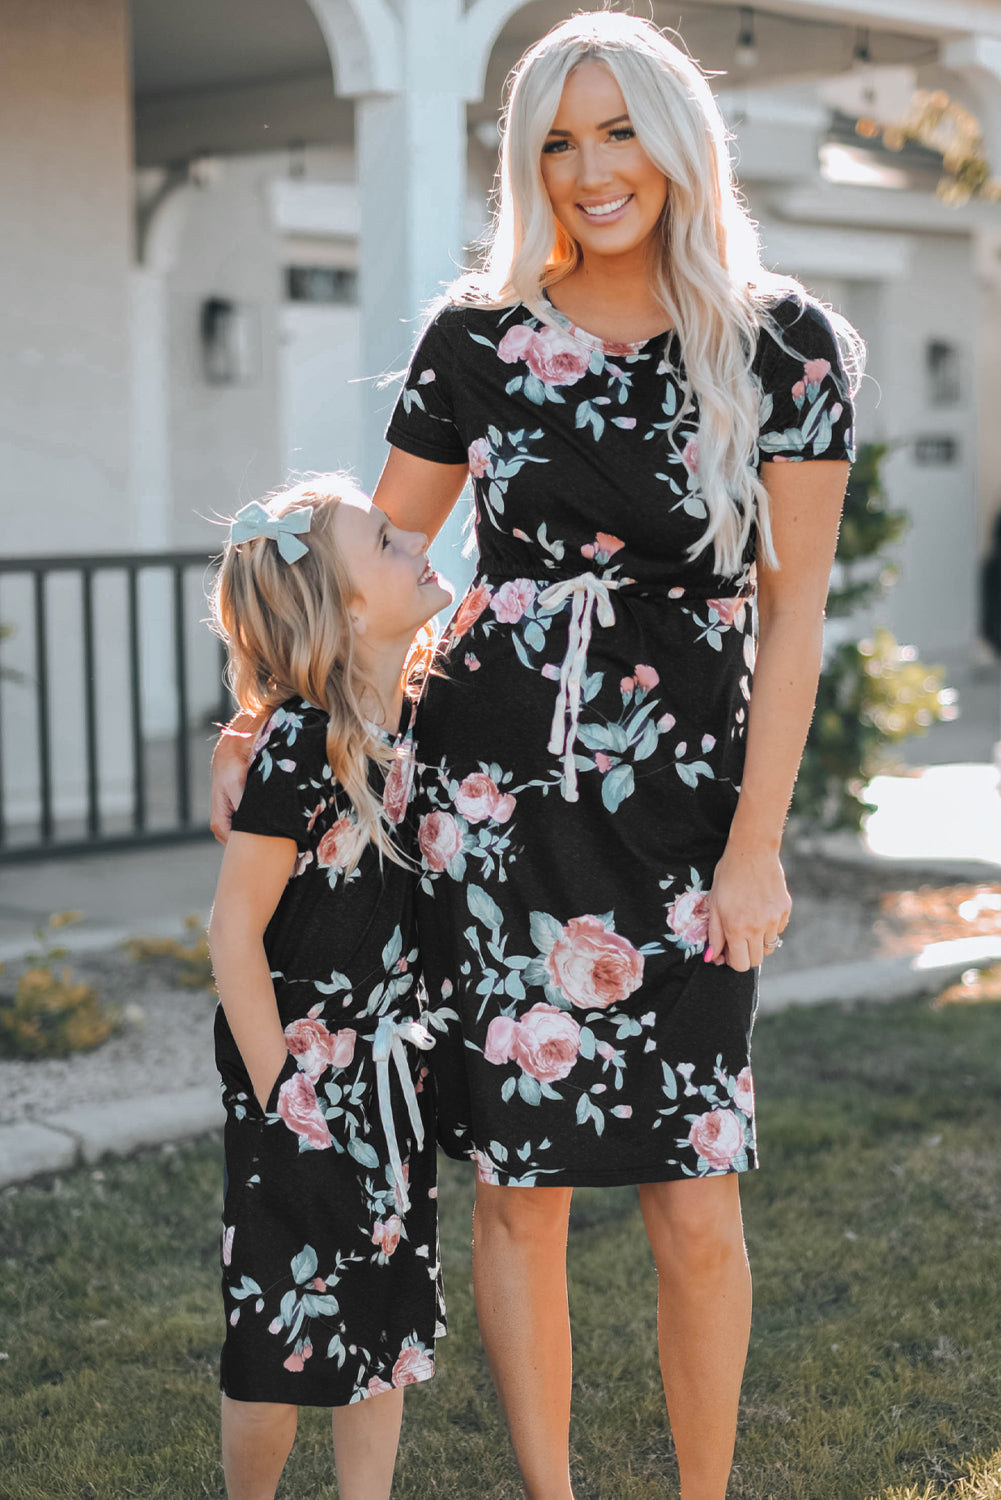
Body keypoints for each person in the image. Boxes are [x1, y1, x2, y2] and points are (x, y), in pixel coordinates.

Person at [212, 12, 863, 1498]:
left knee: (695, 1201)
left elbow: (794, 609)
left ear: (677, 138)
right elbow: (365, 577)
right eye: (557, 142)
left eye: (618, 130)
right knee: (519, 1200)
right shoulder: (477, 342)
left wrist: (757, 839)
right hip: (486, 812)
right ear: (526, 165)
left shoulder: (786, 346)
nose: (590, 170)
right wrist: (274, 722)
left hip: (689, 818)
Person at [207, 474, 452, 1500]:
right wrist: (281, 1098)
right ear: (349, 609)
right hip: (297, 1080)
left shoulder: (424, 725)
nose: (416, 544)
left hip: (392, 1080)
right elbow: (232, 931)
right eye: (388, 544)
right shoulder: (303, 747)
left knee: (381, 1322)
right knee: (279, 1331)